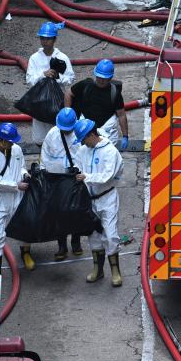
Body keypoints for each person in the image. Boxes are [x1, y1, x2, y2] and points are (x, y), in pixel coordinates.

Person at [72, 119, 124, 286]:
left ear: (92, 134)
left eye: (83, 139)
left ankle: (115, 271)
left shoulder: (110, 152)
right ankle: (98, 270)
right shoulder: (82, 151)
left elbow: (106, 177)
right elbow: (77, 168)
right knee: (93, 236)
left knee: (110, 235)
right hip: (89, 200)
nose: (82, 143)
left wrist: (87, 177)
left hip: (107, 198)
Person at [0, 123, 35, 272]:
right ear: (1, 140)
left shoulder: (16, 149)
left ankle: (26, 254)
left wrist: (25, 174)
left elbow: (21, 167)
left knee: (25, 227)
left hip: (17, 197)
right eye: (10, 142)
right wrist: (16, 185)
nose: (12, 144)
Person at [40, 107, 83, 259]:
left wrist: (79, 171)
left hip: (75, 178)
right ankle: (62, 246)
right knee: (58, 213)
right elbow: (45, 156)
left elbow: (85, 155)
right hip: (57, 179)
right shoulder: (52, 135)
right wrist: (45, 174)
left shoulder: (80, 132)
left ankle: (76, 242)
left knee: (76, 211)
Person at [27, 21, 75, 145]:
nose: (45, 41)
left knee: (58, 134)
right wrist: (43, 74)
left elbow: (70, 78)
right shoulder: (34, 58)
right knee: (39, 138)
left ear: (54, 39)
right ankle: (43, 160)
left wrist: (57, 76)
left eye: (48, 39)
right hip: (39, 101)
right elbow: (29, 80)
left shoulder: (62, 57)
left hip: (57, 100)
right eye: (42, 38)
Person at [64, 59, 129, 151]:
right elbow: (68, 93)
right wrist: (67, 112)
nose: (101, 80)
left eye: (104, 78)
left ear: (110, 78)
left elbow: (121, 115)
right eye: (99, 77)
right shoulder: (85, 85)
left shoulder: (114, 92)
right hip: (85, 129)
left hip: (106, 131)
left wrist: (125, 136)